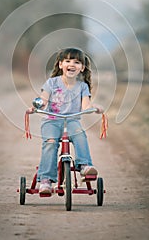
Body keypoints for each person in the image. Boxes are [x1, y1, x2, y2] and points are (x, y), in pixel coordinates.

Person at [29, 47, 104, 195]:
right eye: (68, 61)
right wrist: (36, 106)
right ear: (60, 64)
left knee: (80, 135)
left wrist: (94, 107)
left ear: (82, 67)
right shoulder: (52, 83)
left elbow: (85, 105)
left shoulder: (83, 86)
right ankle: (46, 180)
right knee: (50, 142)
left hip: (71, 121)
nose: (72, 64)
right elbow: (43, 100)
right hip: (51, 121)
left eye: (76, 62)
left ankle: (84, 166)